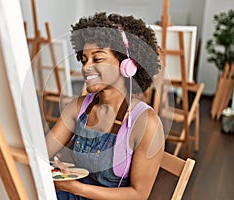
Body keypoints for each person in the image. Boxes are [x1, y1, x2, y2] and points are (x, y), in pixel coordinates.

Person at [45, 12, 165, 199]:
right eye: (84, 60)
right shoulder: (78, 107)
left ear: (127, 65)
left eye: (97, 59)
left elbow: (139, 195)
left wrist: (76, 188)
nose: (86, 67)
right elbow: (43, 152)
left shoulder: (146, 124)